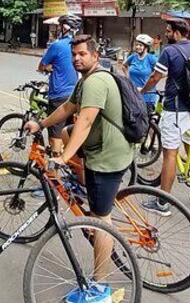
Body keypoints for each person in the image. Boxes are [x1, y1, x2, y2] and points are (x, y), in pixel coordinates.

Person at [24, 35, 134, 293]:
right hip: (102, 147)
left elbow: (84, 122)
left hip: (108, 158)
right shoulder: (85, 80)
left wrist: (62, 158)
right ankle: (81, 178)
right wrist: (40, 124)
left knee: (101, 222)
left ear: (95, 56)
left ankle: (100, 286)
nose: (76, 58)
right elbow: (66, 109)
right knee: (65, 132)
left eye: (82, 54)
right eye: (74, 54)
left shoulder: (95, 83)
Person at [138, 20, 190, 216]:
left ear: (176, 32)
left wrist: (142, 91)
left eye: (168, 31)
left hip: (175, 109)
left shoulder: (170, 51)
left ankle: (163, 202)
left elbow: (156, 77)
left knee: (170, 155)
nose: (165, 34)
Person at [38, 13, 82, 155]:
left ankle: (54, 173)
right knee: (68, 132)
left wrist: (51, 67)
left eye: (59, 26)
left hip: (59, 95)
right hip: (76, 93)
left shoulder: (57, 45)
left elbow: (42, 66)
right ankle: (71, 165)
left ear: (65, 28)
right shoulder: (79, 47)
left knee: (55, 135)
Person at [122, 34, 158, 113]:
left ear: (146, 47)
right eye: (137, 45)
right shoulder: (133, 57)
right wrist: (128, 79)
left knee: (146, 122)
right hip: (133, 95)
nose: (138, 47)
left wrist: (155, 77)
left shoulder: (151, 59)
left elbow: (165, 71)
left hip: (148, 97)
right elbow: (124, 66)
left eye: (140, 45)